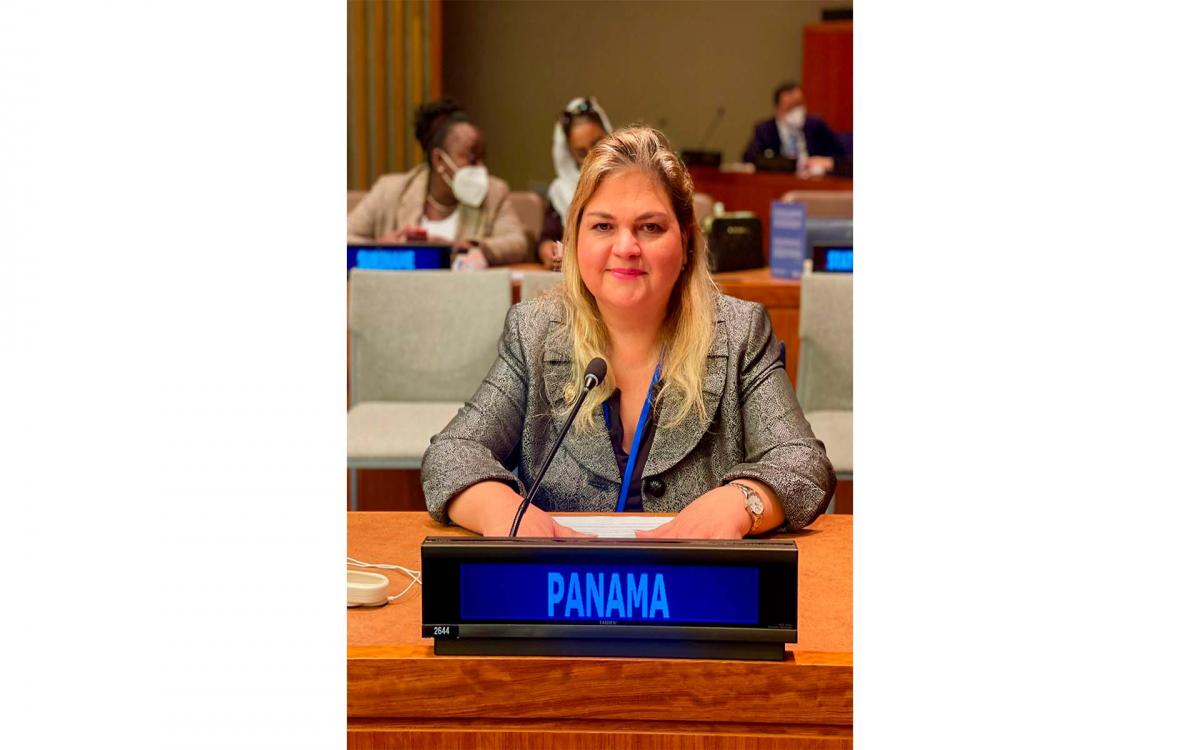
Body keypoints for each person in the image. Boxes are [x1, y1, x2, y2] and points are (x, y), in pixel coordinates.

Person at [421, 126, 835, 539]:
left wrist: (745, 501)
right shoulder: (534, 332)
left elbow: (801, 462)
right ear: (574, 239)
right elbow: (451, 454)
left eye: (650, 227)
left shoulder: (741, 333)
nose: (626, 247)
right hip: (564, 592)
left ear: (687, 240)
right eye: (602, 226)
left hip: (693, 591)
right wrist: (499, 507)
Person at [347, 97, 530, 266]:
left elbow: (517, 243)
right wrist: (383, 247)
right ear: (439, 160)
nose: (481, 168)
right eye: (472, 160)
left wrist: (462, 246)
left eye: (483, 159)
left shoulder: (493, 192)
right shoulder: (390, 190)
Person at [537, 96, 613, 269]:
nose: (592, 154)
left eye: (597, 143)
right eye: (581, 153)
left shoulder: (630, 180)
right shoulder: (561, 191)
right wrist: (548, 251)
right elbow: (546, 239)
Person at [742, 81, 848, 177]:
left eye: (799, 105)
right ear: (778, 108)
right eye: (791, 107)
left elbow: (841, 155)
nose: (796, 111)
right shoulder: (765, 129)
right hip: (780, 179)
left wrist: (826, 161)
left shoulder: (815, 125)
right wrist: (785, 163)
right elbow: (750, 157)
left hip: (814, 179)